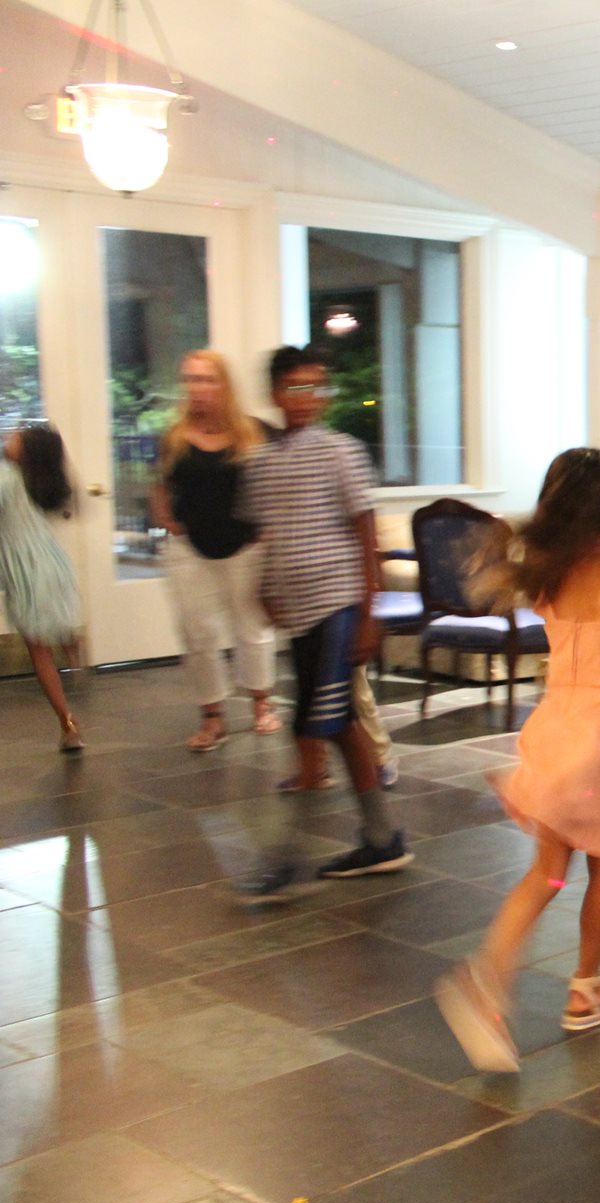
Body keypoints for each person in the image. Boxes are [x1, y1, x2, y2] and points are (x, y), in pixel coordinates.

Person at [435, 448, 600, 1071]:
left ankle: (505, 980)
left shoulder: (548, 575)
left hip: (560, 726)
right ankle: (565, 984)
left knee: (550, 871)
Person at [237, 345, 410, 902]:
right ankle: (382, 839)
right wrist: (265, 586)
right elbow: (268, 533)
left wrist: (369, 611)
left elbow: (365, 532)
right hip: (301, 615)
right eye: (296, 387)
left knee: (311, 727)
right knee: (338, 725)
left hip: (338, 606)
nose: (308, 398)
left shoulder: (341, 452)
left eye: (317, 387)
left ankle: (285, 860)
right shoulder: (262, 462)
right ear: (275, 393)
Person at [151, 350, 281, 752]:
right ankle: (212, 716)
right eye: (190, 379)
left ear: (223, 384)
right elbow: (160, 486)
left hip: (246, 548)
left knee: (252, 628)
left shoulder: (254, 432)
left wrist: (268, 529)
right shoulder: (174, 437)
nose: (198, 388)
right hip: (190, 550)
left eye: (206, 379)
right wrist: (167, 520)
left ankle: (261, 702)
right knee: (197, 632)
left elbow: (277, 485)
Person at [0, 423, 85, 752]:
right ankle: (67, 638)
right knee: (46, 636)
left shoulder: (7, 478)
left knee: (38, 651)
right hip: (53, 566)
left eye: (17, 437)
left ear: (27, 451)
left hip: (26, 574)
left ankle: (67, 722)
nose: (10, 437)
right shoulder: (41, 483)